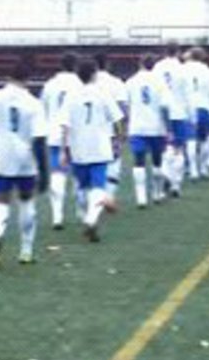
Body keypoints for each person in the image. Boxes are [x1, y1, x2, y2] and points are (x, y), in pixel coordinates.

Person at [0, 60, 48, 268]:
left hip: (0, 157)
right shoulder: (34, 103)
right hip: (26, 160)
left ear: (8, 77)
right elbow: (39, 140)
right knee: (26, 202)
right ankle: (26, 251)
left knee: (0, 201)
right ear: (28, 79)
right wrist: (44, 171)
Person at [57, 58, 124, 241]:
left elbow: (65, 125)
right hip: (100, 146)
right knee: (98, 186)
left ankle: (88, 216)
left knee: (83, 187)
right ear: (94, 73)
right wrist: (120, 138)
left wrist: (63, 150)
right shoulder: (103, 93)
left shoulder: (71, 95)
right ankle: (91, 219)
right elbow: (118, 119)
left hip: (78, 147)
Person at [39, 52, 84, 229]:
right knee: (80, 175)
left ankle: (57, 216)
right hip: (77, 136)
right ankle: (82, 212)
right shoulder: (81, 84)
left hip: (55, 135)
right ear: (75, 66)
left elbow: (42, 108)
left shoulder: (50, 84)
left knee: (57, 173)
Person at [122, 53, 171, 207]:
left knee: (139, 161)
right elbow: (165, 106)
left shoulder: (130, 81)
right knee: (157, 161)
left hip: (137, 126)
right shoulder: (160, 82)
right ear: (154, 65)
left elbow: (124, 105)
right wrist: (168, 127)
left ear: (140, 64)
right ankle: (157, 193)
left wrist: (127, 122)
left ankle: (141, 197)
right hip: (156, 127)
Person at [91, 53, 130, 207]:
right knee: (113, 163)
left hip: (90, 131)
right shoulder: (116, 83)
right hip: (111, 130)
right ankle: (109, 197)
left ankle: (94, 199)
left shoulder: (86, 83)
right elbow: (123, 109)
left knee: (94, 164)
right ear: (108, 65)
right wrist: (124, 130)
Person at [152, 45, 191, 196]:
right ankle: (175, 184)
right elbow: (187, 93)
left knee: (165, 147)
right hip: (179, 112)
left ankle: (165, 175)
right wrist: (190, 113)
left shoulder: (157, 67)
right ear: (178, 53)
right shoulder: (182, 69)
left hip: (161, 113)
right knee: (179, 148)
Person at [183, 46, 209, 180]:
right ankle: (203, 168)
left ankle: (193, 170)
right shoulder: (207, 70)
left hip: (187, 107)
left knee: (190, 140)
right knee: (204, 140)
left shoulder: (182, 69)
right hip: (204, 107)